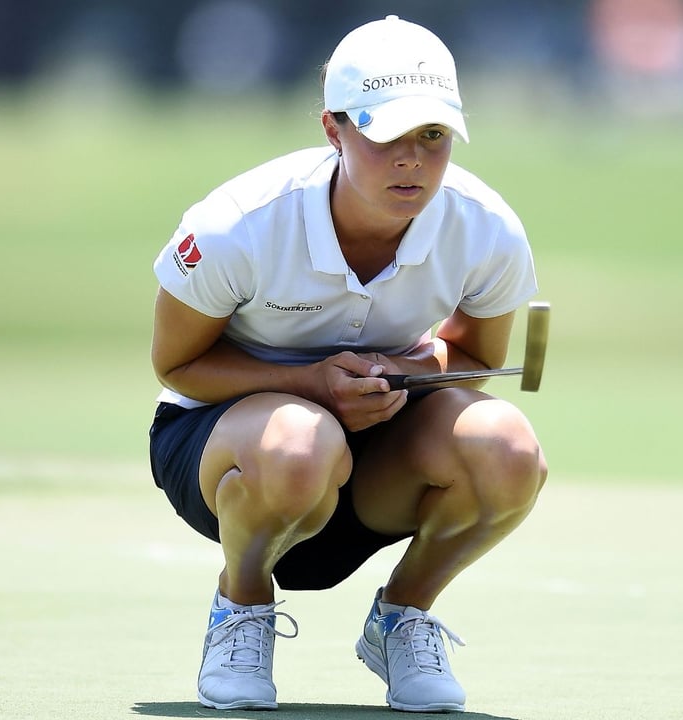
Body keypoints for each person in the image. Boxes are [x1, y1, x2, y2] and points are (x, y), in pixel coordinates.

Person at [148, 14, 547, 713]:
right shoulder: (237, 224)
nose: (412, 159)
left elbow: (476, 358)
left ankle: (403, 617)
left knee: (508, 449)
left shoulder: (486, 228)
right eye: (386, 135)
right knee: (300, 442)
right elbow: (178, 364)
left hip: (377, 457)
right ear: (333, 129)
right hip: (230, 454)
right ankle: (240, 607)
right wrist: (311, 383)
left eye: (433, 136)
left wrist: (399, 373)